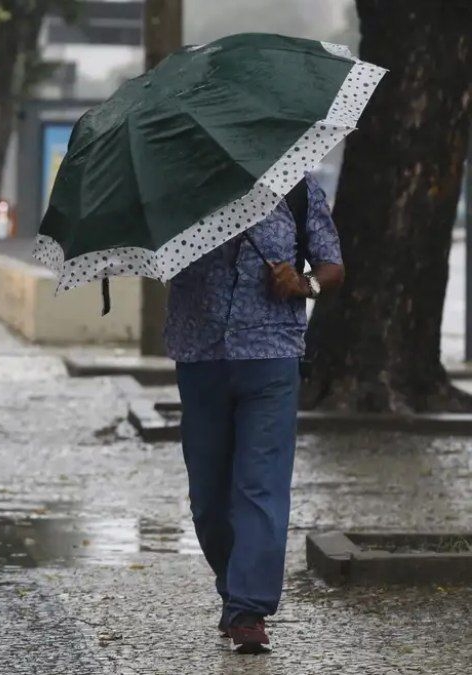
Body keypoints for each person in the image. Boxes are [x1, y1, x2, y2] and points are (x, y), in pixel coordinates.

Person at [164, 172, 345, 654]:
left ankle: (249, 610)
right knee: (207, 499)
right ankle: (235, 588)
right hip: (199, 356)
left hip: (271, 357)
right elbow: (156, 255)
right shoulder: (182, 188)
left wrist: (303, 283)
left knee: (260, 485)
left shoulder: (296, 186)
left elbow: (332, 268)